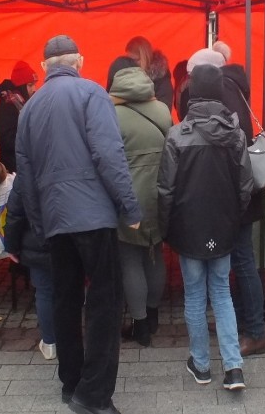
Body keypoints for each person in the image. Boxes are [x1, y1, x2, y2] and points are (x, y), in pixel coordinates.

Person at [15, 35, 141, 414]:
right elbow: (109, 153)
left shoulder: (30, 106)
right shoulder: (91, 93)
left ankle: (71, 384)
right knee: (104, 303)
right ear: (80, 61)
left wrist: (39, 222)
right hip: (94, 216)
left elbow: (25, 173)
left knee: (65, 300)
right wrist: (130, 207)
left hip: (55, 218)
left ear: (44, 66)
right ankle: (95, 395)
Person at [158, 64, 253, 392]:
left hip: (189, 228)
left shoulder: (177, 134)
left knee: (195, 295)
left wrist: (166, 228)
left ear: (191, 93)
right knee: (223, 293)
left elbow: (165, 190)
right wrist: (232, 218)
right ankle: (233, 367)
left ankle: (200, 364)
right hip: (223, 227)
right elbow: (245, 186)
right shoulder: (236, 134)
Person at [177, 47, 265, 357]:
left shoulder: (224, 91)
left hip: (234, 192)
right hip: (237, 191)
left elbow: (232, 141)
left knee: (242, 262)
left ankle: (255, 331)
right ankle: (245, 322)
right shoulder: (235, 87)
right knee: (240, 260)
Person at [107, 57, 172, 347]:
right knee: (155, 253)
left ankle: (140, 324)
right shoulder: (162, 109)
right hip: (159, 194)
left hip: (127, 197)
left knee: (130, 259)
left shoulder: (110, 114)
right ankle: (155, 314)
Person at [3, 175, 56, 360]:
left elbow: (15, 213)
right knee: (69, 291)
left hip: (37, 241)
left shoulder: (28, 168)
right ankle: (68, 339)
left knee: (44, 292)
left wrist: (11, 245)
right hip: (66, 239)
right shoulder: (73, 159)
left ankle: (50, 342)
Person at [0, 61, 38, 173]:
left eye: (34, 84)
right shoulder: (7, 105)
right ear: (21, 86)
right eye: (30, 85)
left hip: (22, 164)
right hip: (14, 168)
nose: (34, 89)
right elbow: (7, 140)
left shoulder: (22, 103)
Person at [122, 36, 174, 109]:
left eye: (136, 60)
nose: (132, 64)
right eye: (129, 60)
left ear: (144, 57)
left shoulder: (161, 78)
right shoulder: (127, 76)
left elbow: (165, 108)